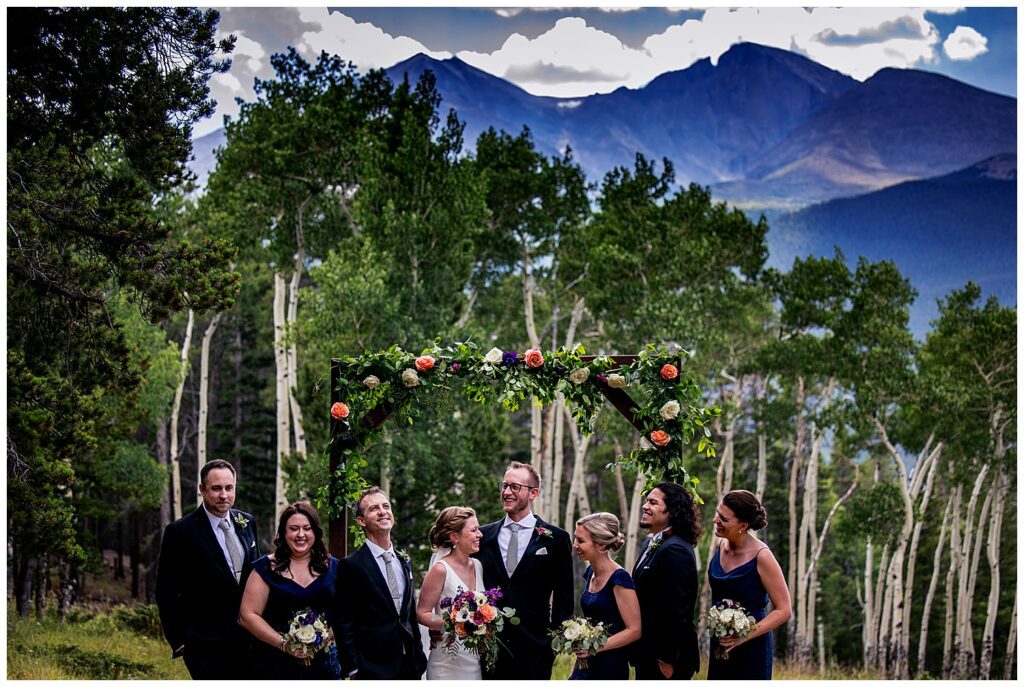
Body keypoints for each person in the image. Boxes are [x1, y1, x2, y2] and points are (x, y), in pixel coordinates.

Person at [155, 459, 261, 679]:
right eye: (216, 488)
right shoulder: (180, 532)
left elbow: (256, 578)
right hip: (204, 646)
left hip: (250, 641)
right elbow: (166, 592)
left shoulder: (247, 522)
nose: (224, 495)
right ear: (201, 489)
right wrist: (180, 641)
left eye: (229, 488)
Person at [473, 461, 574, 680]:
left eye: (515, 487)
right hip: (489, 647)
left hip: (536, 648)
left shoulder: (556, 539)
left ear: (533, 493)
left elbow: (564, 595)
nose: (506, 492)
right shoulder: (483, 536)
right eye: (504, 486)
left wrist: (555, 641)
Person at [239, 502, 341, 679]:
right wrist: (284, 643)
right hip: (274, 666)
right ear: (284, 533)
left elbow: (347, 612)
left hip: (324, 667)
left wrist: (327, 636)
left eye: (307, 528)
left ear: (315, 532)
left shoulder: (334, 568)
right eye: (294, 529)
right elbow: (248, 615)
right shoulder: (265, 569)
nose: (301, 534)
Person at [335, 487, 427, 679]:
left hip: (409, 666)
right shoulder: (351, 565)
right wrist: (353, 668)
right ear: (361, 521)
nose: (382, 511)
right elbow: (343, 622)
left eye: (386, 506)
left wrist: (418, 654)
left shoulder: (404, 560)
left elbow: (409, 613)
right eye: (374, 508)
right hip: (371, 668)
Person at [707, 490, 791, 680]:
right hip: (720, 642)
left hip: (752, 647)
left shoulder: (762, 556)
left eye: (724, 519)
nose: (715, 520)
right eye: (717, 513)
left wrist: (743, 636)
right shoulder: (720, 545)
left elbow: (784, 610)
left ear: (743, 525)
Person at [630, 481, 701, 680]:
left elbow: (678, 609)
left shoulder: (675, 549)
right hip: (647, 653)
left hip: (666, 660)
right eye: (646, 501)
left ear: (672, 511)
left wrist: (666, 658)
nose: (645, 506)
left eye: (653, 503)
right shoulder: (650, 542)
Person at [568, 512, 641, 680]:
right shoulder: (589, 572)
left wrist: (595, 647)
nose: (575, 545)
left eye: (581, 541)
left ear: (601, 545)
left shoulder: (619, 578)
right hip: (586, 662)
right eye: (575, 539)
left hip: (610, 666)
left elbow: (635, 630)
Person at [416, 506, 485, 680]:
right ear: (454, 536)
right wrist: (451, 623)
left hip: (474, 661)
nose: (480, 534)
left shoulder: (478, 565)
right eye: (474, 530)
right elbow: (422, 613)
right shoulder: (441, 569)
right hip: (446, 664)